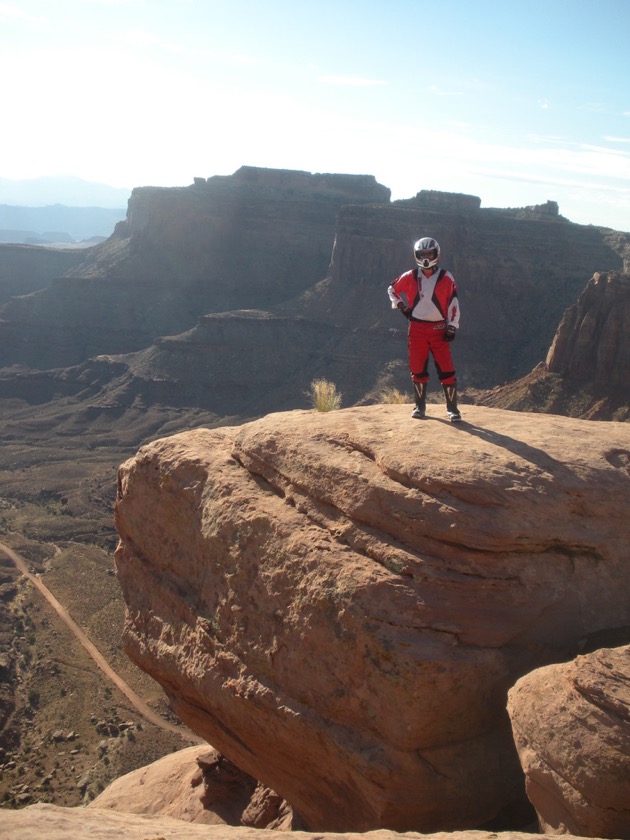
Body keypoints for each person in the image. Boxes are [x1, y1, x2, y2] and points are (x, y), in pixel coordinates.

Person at [387, 236, 461, 421]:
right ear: (416, 255)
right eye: (423, 254)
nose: (426, 257)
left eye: (430, 253)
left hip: (439, 329)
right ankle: (419, 406)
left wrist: (452, 326)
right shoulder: (410, 276)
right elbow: (392, 289)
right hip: (417, 329)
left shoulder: (446, 277)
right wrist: (401, 306)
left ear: (437, 254)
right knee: (417, 368)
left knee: (446, 368)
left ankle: (452, 409)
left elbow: (453, 303)